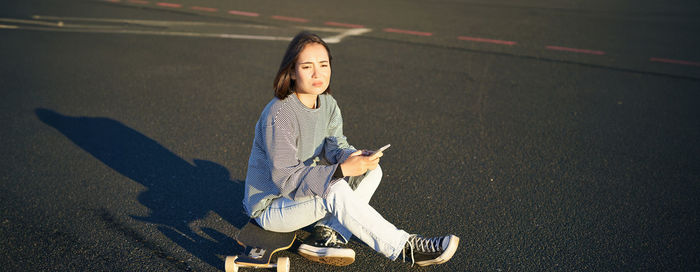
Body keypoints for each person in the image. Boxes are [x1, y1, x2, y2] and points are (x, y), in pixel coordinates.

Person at [242, 31, 459, 267]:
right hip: (271, 206)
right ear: (292, 71)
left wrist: (354, 158)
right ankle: (405, 247)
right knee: (334, 189)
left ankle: (326, 234)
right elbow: (285, 179)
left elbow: (335, 144)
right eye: (307, 67)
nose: (318, 73)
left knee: (371, 172)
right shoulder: (280, 114)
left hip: (301, 196)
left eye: (323, 65)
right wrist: (341, 170)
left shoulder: (327, 103)